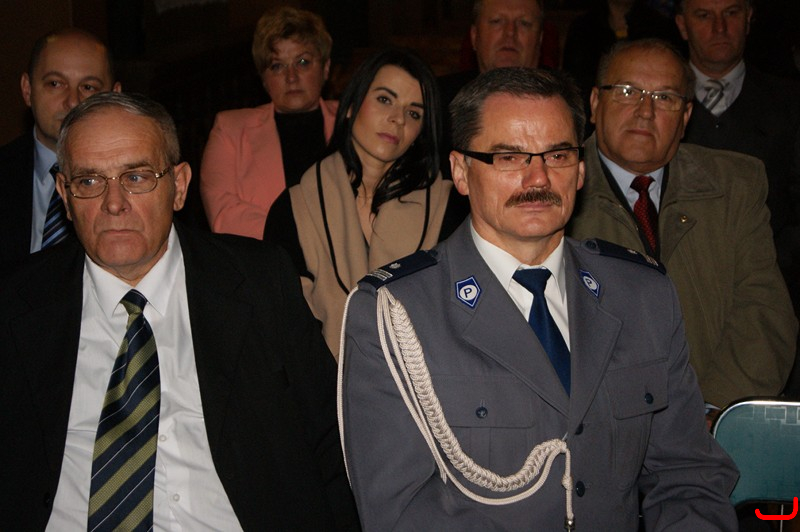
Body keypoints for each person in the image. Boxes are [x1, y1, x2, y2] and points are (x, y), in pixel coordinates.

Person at [339, 66, 738, 530]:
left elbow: (688, 476)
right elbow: (400, 515)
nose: (538, 178)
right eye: (509, 157)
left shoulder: (640, 296)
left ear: (581, 169)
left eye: (558, 155)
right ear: (461, 172)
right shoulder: (397, 312)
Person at [0, 92, 359, 530]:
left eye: (136, 177)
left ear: (180, 185)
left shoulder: (258, 283)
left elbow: (331, 441)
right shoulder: (17, 304)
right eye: (90, 181)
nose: (113, 203)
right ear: (64, 193)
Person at [567, 39, 797, 414]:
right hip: (596, 425)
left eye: (665, 98)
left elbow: (765, 315)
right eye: (627, 92)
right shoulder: (553, 189)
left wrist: (711, 413)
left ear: (686, 115)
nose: (645, 111)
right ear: (595, 103)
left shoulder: (735, 184)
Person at [264, 48, 457, 358]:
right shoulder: (294, 207)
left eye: (414, 113)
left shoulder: (449, 206)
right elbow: (284, 330)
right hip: (325, 381)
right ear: (351, 106)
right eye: (385, 99)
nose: (397, 119)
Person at [200, 6, 338, 239]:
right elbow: (224, 215)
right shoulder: (230, 129)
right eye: (277, 66)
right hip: (266, 255)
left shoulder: (354, 120)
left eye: (303, 62)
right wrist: (304, 240)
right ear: (263, 78)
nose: (291, 77)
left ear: (325, 68)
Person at [675, 0, 800, 248]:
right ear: (682, 25)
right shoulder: (654, 104)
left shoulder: (791, 102)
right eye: (704, 15)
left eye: (731, 13)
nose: (719, 27)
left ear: (748, 18)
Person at [0, 28, 120, 267]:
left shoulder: (139, 180)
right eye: (55, 84)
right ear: (27, 89)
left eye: (88, 87)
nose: (73, 101)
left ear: (114, 96)